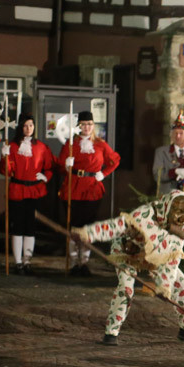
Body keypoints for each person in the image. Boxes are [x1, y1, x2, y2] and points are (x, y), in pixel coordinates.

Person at [73, 190, 184, 345]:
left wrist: (164, 286)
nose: (181, 216)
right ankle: (111, 334)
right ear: (168, 207)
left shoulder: (181, 228)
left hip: (155, 256)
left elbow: (171, 259)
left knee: (182, 285)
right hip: (129, 254)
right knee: (126, 289)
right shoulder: (145, 214)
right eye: (177, 211)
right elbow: (116, 226)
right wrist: (88, 234)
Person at [57, 110, 121, 276]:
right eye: (84, 124)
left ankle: (84, 262)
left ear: (93, 126)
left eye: (90, 124)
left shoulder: (101, 144)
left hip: (92, 188)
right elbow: (60, 167)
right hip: (74, 186)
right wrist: (66, 165)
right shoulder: (71, 145)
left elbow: (115, 160)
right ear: (79, 126)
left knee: (87, 226)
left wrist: (104, 174)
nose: (87, 127)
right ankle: (73, 262)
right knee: (74, 226)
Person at [0, 113, 53, 274]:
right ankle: (18, 262)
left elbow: (49, 167)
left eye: (31, 126)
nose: (29, 129)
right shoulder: (13, 146)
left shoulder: (41, 147)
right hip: (17, 189)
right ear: (21, 127)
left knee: (30, 226)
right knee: (18, 225)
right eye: (26, 125)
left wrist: (46, 176)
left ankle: (27, 261)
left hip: (34, 190)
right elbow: (5, 171)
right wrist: (4, 156)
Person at [152, 109, 184, 206]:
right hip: (168, 199)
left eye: (181, 133)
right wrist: (173, 172)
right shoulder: (161, 152)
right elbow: (156, 175)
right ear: (171, 134)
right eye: (175, 133)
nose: (178, 136)